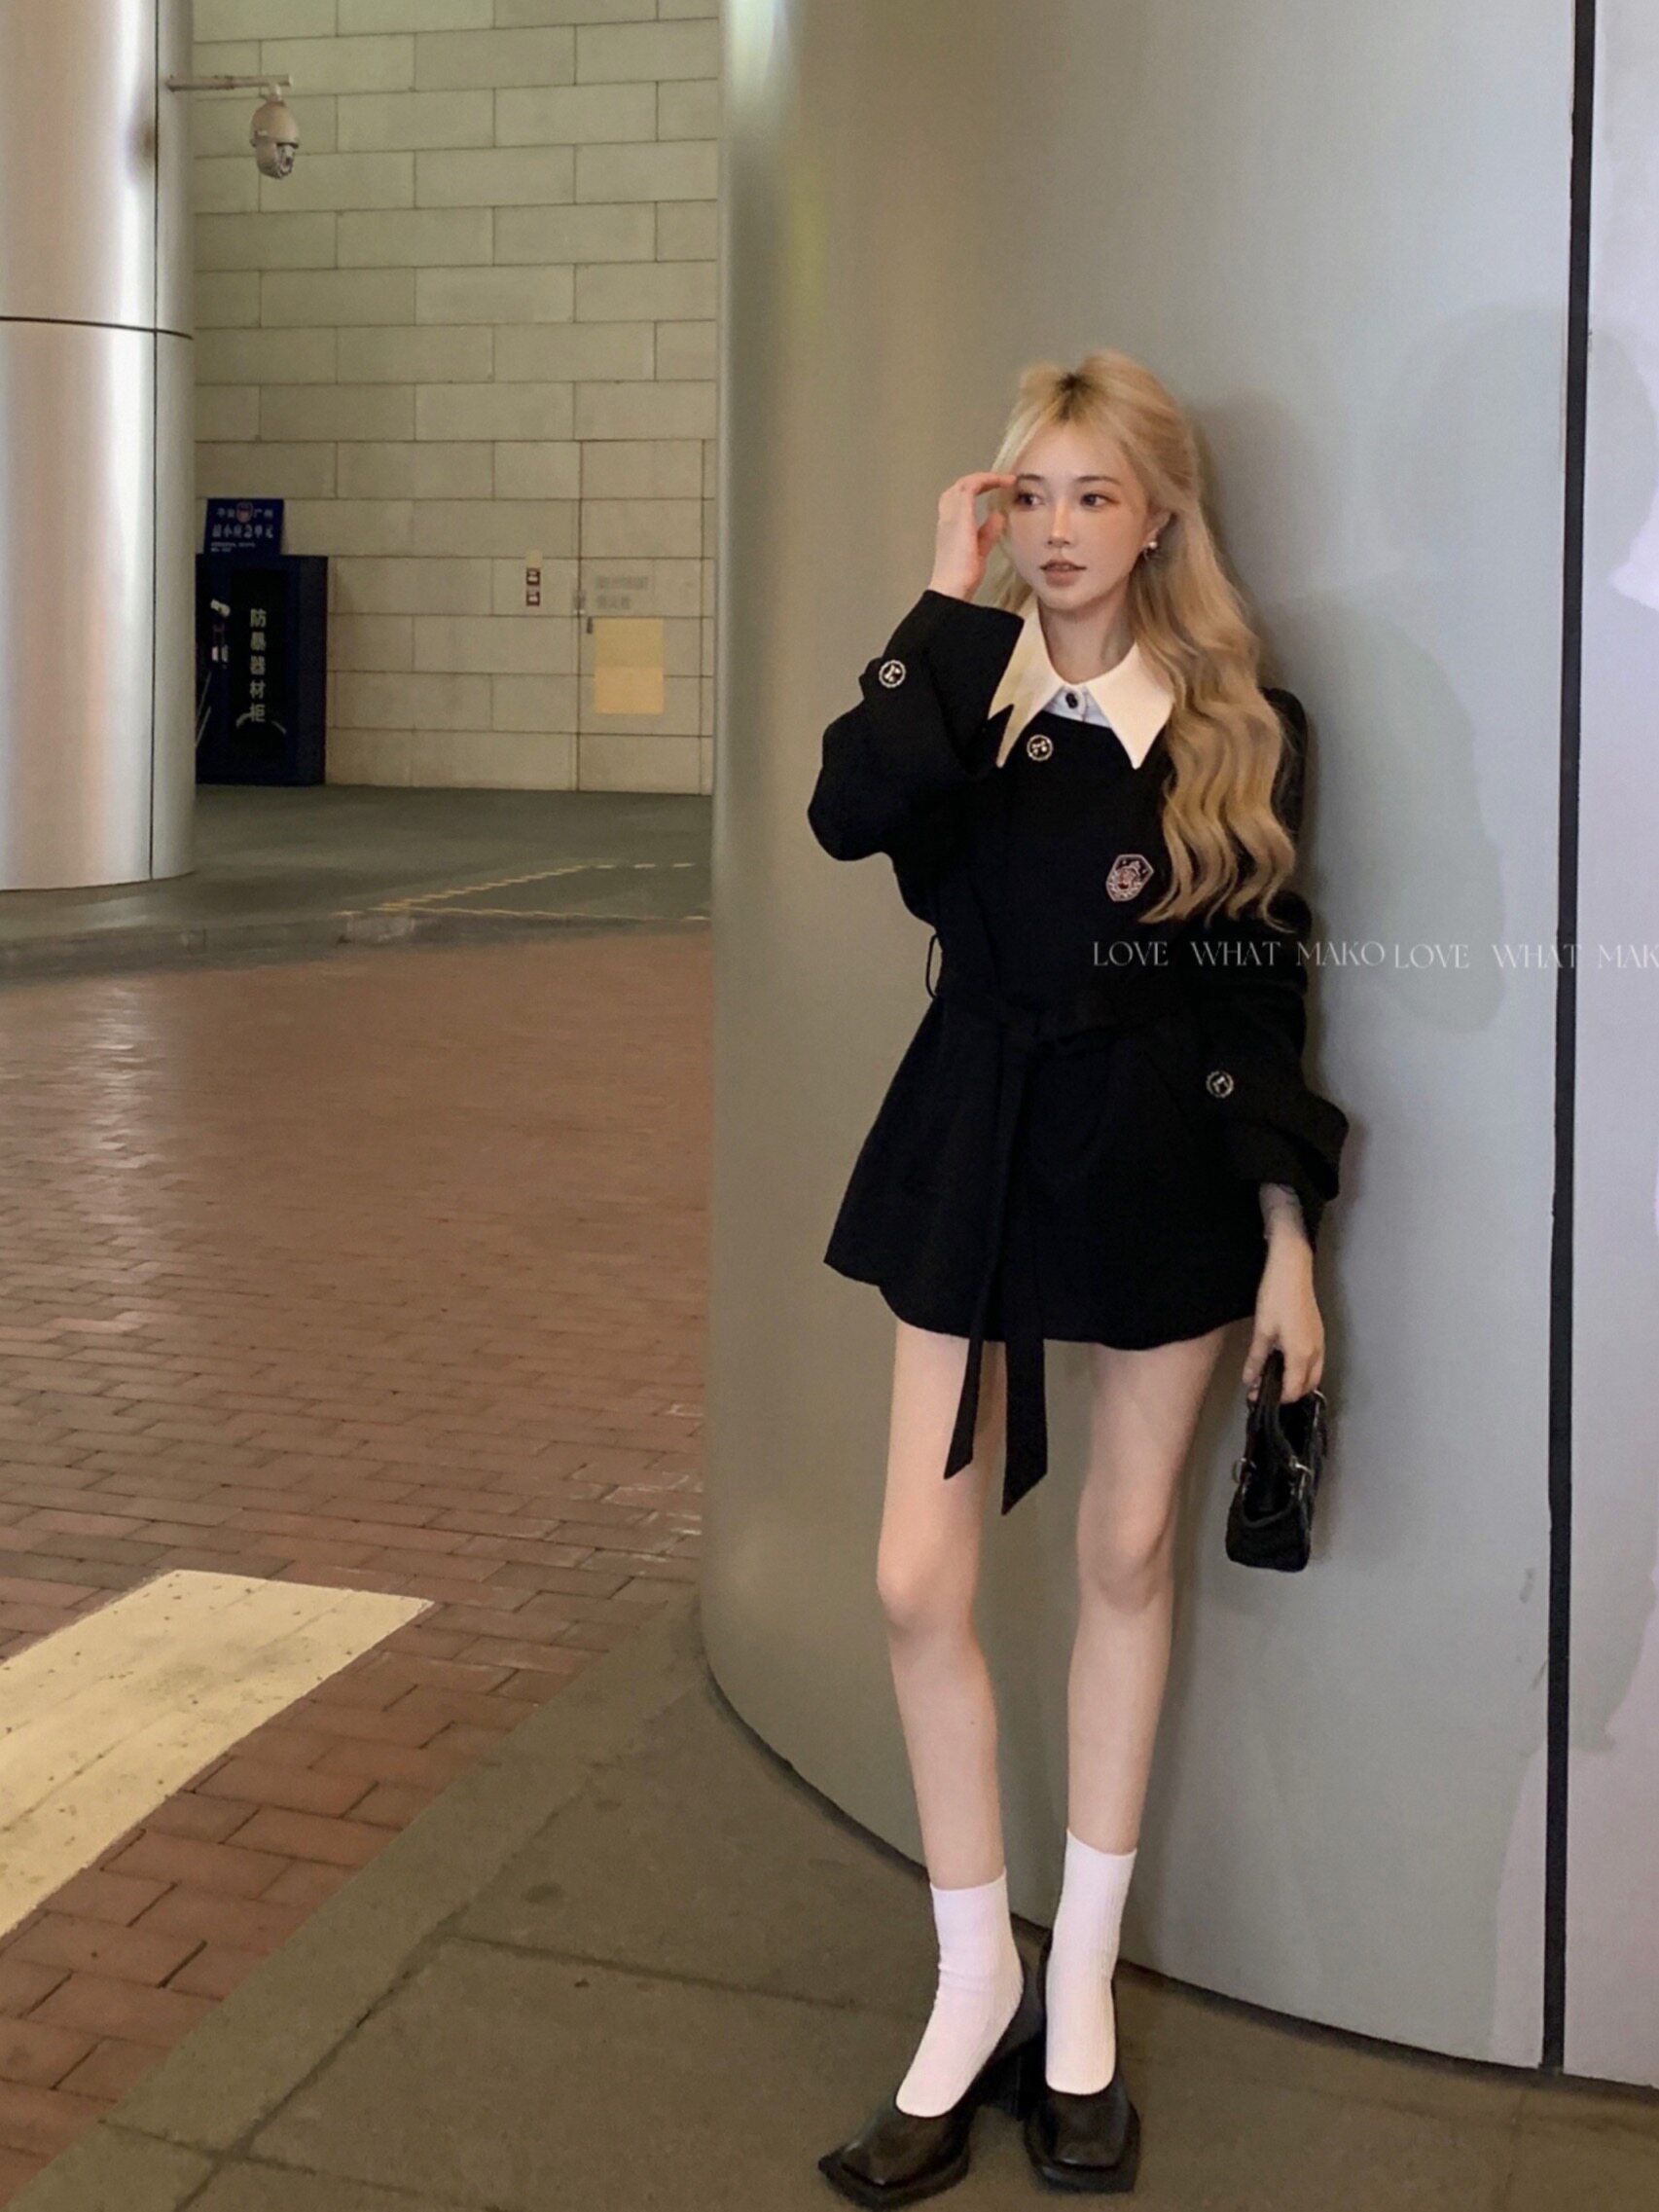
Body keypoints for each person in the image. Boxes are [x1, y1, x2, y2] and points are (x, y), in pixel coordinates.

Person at [806, 350, 1350, 2200]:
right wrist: (938, 602)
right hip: (972, 1129)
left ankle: (1081, 1993)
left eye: (1092, 495)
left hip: (1155, 1151)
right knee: (913, 1576)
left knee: (1122, 1555)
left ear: (1158, 517)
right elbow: (847, 812)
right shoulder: (957, 690)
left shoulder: (1236, 721)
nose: (1055, 531)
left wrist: (1287, 1241)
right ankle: (974, 1978)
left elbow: (1261, 989)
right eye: (1026, 495)